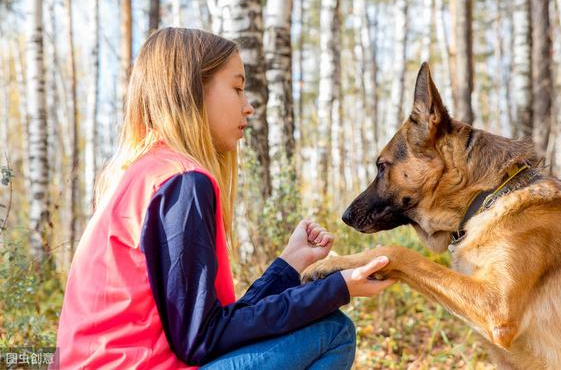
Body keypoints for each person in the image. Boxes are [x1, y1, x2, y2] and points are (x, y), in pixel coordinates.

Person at [53, 27, 395, 370]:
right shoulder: (183, 182)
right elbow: (202, 341)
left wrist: (289, 266)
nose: (248, 107)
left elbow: (208, 327)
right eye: (237, 88)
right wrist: (336, 289)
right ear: (192, 90)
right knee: (333, 331)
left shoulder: (147, 174)